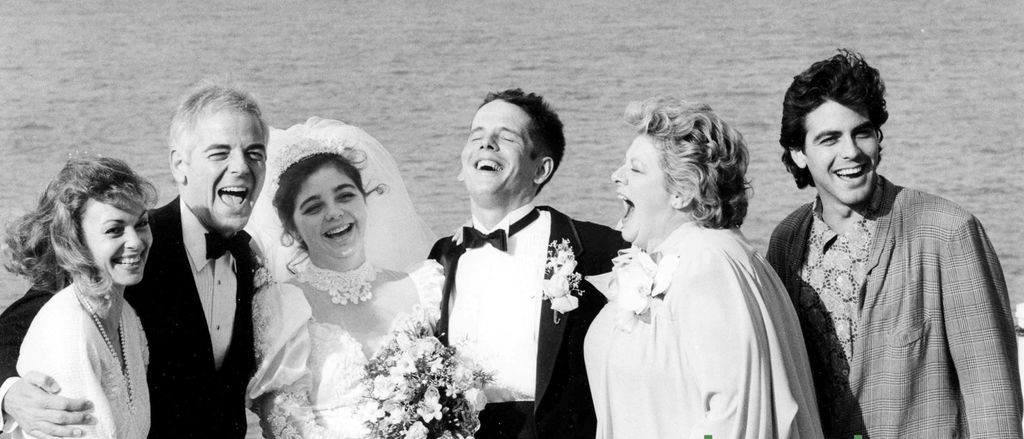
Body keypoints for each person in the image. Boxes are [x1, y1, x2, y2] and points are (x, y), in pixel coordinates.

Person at [767, 49, 1022, 437]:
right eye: (829, 139)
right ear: (799, 154)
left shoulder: (947, 232)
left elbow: (993, 396)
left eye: (862, 132)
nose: (850, 152)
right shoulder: (787, 243)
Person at [0, 84, 269, 438]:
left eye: (255, 153)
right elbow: (13, 329)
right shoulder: (131, 246)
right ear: (179, 164)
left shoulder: (247, 257)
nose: (241, 167)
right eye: (220, 153)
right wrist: (9, 395)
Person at [582, 97, 823, 438]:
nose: (616, 176)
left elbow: (732, 416)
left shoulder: (709, 263)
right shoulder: (685, 257)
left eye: (635, 168)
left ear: (682, 191)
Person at [429, 89, 626, 439]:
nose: (486, 144)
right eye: (476, 136)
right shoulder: (441, 258)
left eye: (504, 138)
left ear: (541, 169)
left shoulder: (595, 250)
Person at [245, 125, 442, 438]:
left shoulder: (426, 287)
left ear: (365, 201)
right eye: (313, 207)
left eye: (345, 196)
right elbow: (285, 421)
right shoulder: (286, 308)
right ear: (291, 228)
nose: (334, 213)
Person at [4, 157, 156, 438]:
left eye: (142, 223)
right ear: (75, 241)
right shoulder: (67, 329)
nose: (135, 241)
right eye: (114, 230)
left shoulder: (126, 317)